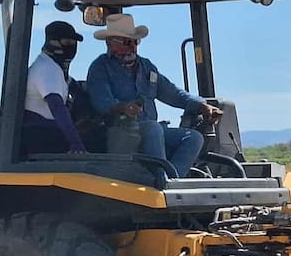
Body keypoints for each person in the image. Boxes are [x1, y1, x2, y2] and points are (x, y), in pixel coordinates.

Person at [85, 13, 221, 181]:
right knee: (153, 127)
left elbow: (174, 94)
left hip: (149, 130)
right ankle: (161, 180)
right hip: (118, 132)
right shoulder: (100, 67)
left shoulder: (146, 67)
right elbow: (101, 102)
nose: (133, 46)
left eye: (136, 41)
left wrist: (203, 106)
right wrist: (123, 108)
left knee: (193, 138)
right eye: (127, 42)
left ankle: (172, 181)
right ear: (110, 43)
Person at [24, 21, 87, 155]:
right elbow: (57, 107)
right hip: (42, 136)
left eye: (74, 44)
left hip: (44, 133)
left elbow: (72, 86)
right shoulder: (47, 69)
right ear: (53, 43)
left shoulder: (52, 67)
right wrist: (76, 143)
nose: (72, 48)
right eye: (67, 43)